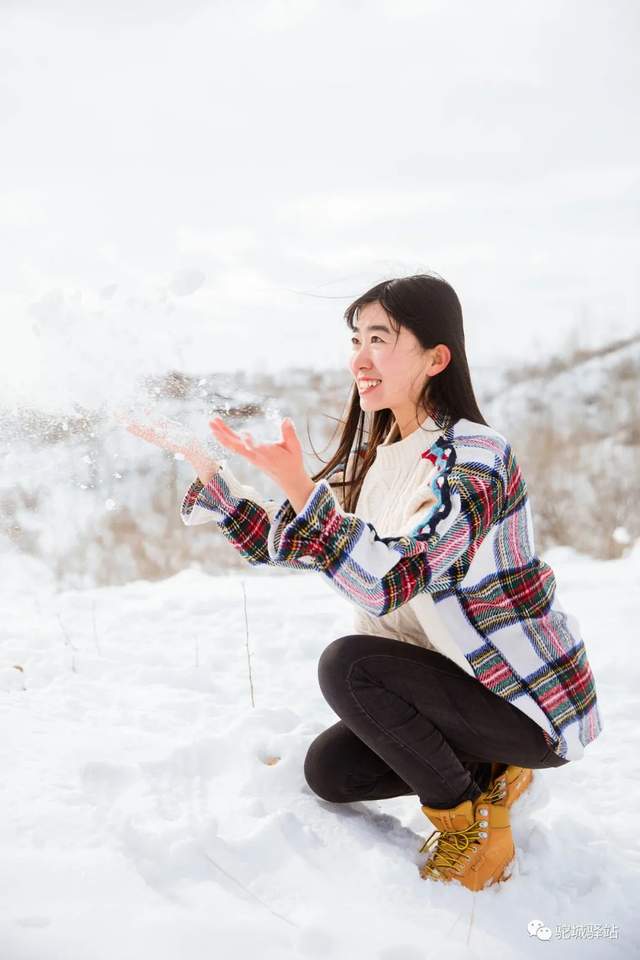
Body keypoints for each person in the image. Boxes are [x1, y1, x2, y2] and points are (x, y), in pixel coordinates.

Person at [123, 273, 603, 893]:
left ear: (436, 358)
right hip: (452, 686)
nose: (360, 358)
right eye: (356, 338)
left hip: (526, 703)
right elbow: (310, 544)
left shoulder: (476, 459)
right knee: (331, 772)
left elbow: (394, 579)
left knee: (350, 666)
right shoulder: (386, 461)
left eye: (380, 337)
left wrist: (303, 489)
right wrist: (211, 476)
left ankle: (471, 828)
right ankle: (488, 774)